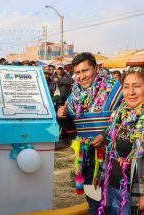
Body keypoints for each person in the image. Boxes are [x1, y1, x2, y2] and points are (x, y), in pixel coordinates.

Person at [57, 52, 123, 215]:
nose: (81, 76)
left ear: (96, 68)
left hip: (114, 160)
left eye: (85, 71)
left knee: (114, 204)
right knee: (94, 203)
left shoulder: (114, 89)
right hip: (88, 161)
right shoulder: (75, 96)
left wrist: (105, 136)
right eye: (78, 72)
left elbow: (126, 121)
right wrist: (62, 117)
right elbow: (71, 130)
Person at [93, 67, 144, 215]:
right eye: (126, 87)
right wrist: (101, 175)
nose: (131, 92)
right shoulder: (120, 114)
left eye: (137, 86)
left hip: (135, 193)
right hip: (113, 187)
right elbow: (112, 149)